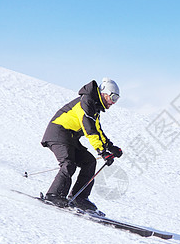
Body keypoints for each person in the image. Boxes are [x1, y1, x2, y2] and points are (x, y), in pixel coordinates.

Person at [41, 78, 123, 211]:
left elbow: (97, 130)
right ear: (104, 93)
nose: (113, 102)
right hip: (58, 133)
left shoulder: (94, 106)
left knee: (89, 161)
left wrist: (110, 147)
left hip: (70, 137)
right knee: (68, 163)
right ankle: (54, 195)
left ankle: (80, 198)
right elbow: (89, 130)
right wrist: (102, 152)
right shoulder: (86, 103)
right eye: (113, 97)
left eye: (117, 99)